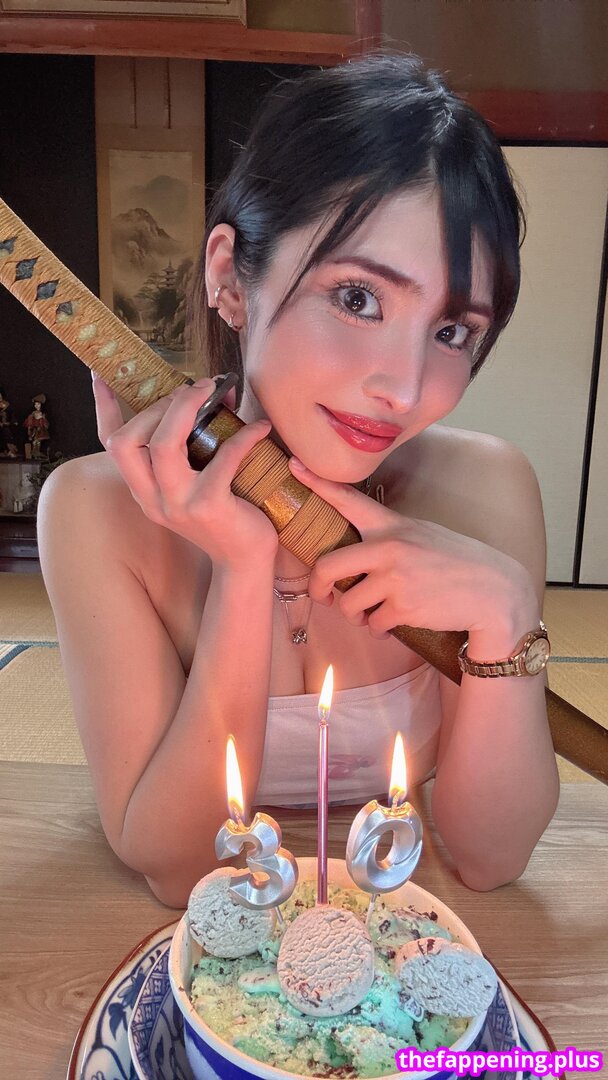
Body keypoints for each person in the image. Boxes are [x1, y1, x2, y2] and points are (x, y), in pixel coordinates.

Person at [37, 54, 559, 908]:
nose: (403, 388)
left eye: (452, 332)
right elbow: (175, 864)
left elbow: (490, 857)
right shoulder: (97, 511)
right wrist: (243, 573)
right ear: (229, 277)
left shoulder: (487, 491)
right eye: (357, 298)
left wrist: (504, 616)